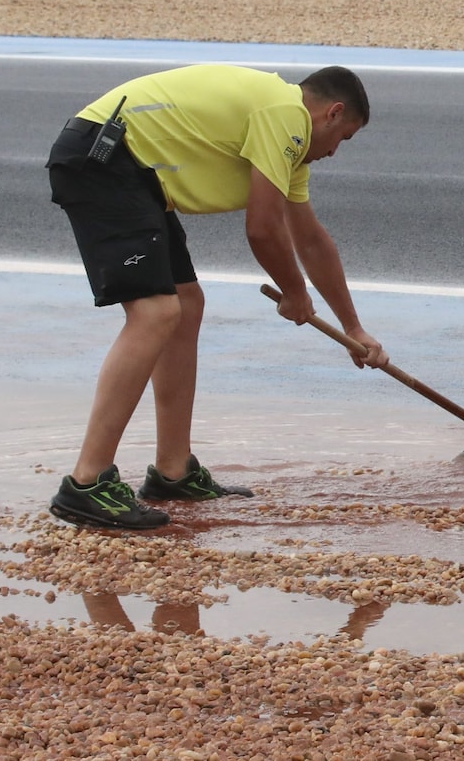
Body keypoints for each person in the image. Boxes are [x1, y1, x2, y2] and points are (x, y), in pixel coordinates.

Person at [45, 63, 385, 530]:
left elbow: (310, 241)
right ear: (332, 113)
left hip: (135, 173)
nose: (334, 152)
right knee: (156, 312)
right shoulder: (284, 114)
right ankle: (86, 483)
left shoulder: (289, 143)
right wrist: (294, 293)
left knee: (186, 305)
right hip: (105, 157)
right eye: (343, 138)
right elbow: (263, 229)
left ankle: (172, 469)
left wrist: (353, 327)